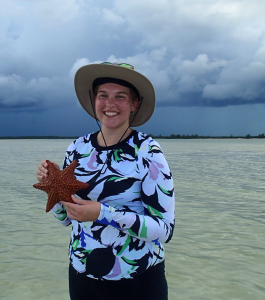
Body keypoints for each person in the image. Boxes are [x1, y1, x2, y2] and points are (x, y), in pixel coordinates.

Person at [36, 62, 175, 300]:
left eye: (120, 96)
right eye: (103, 95)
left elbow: (164, 230)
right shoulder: (77, 148)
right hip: (82, 278)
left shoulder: (148, 152)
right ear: (94, 100)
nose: (110, 104)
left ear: (134, 104)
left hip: (137, 281)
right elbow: (67, 221)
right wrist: (52, 186)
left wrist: (102, 213)